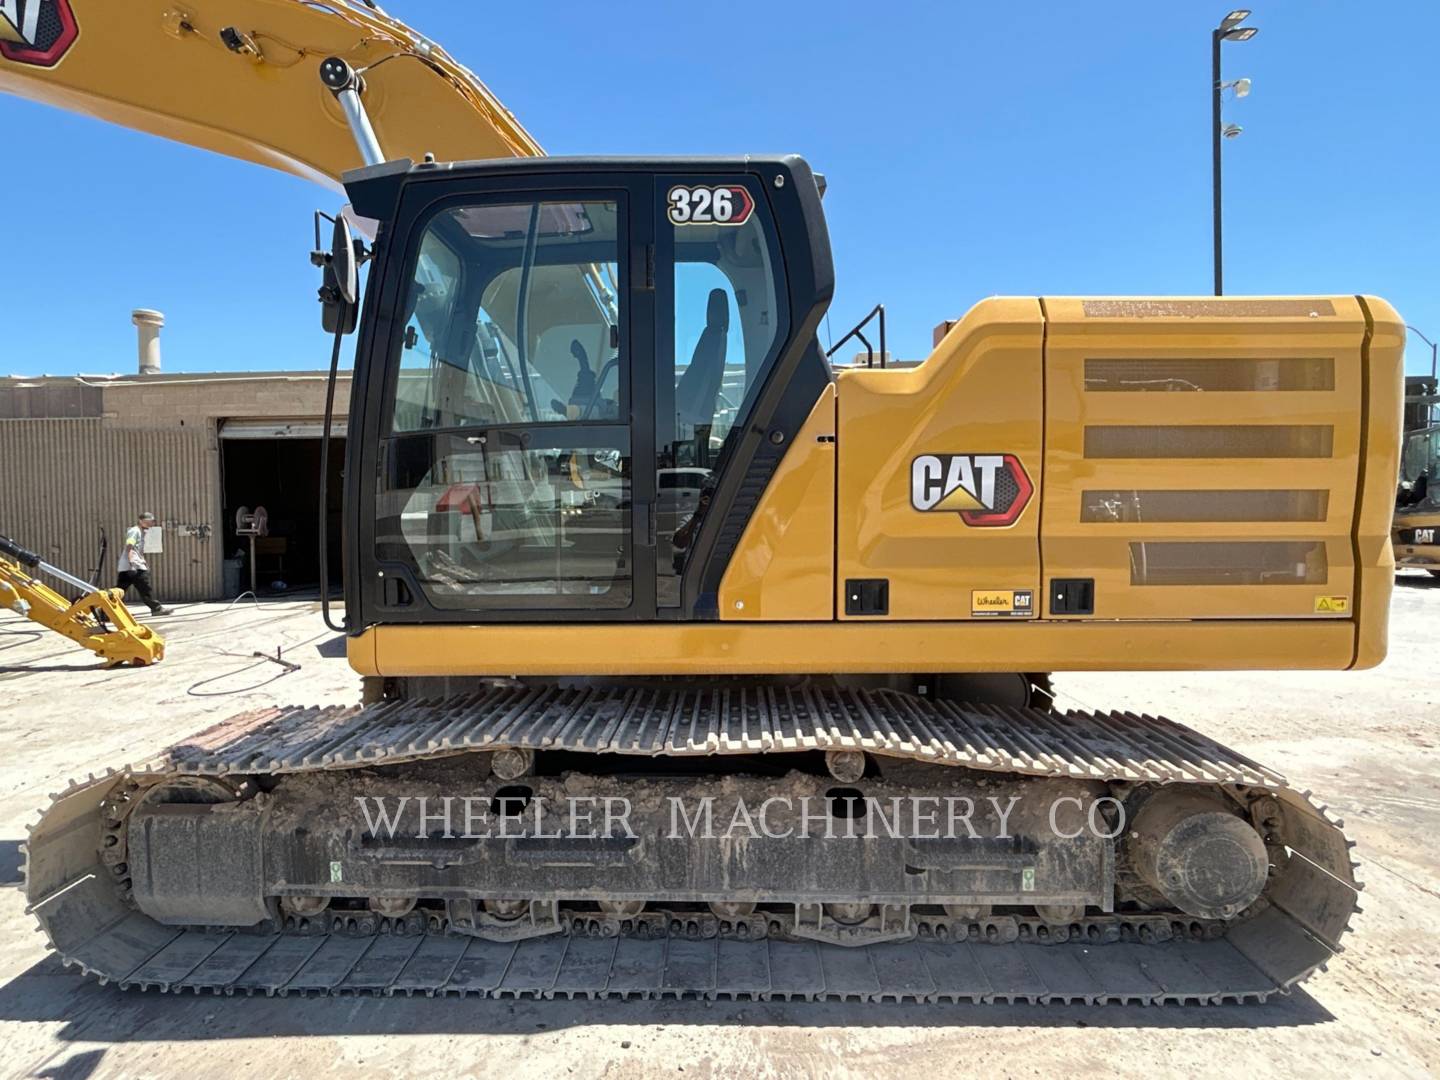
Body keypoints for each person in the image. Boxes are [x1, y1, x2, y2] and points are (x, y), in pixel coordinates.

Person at [116, 512, 173, 616]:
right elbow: (129, 546)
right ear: (142, 521)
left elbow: (137, 549)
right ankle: (156, 608)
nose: (152, 523)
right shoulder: (135, 531)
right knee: (144, 587)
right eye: (149, 521)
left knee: (119, 591)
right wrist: (132, 563)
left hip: (130, 566)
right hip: (133, 566)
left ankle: (104, 612)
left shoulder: (141, 532)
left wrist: (142, 560)